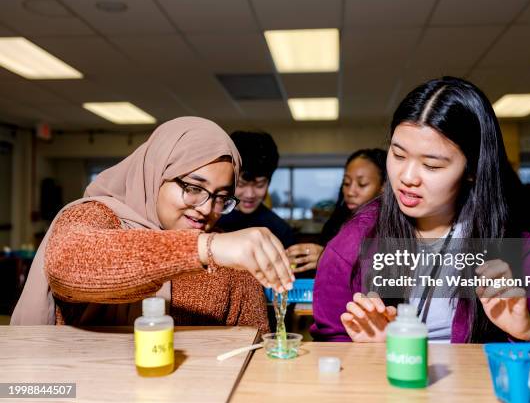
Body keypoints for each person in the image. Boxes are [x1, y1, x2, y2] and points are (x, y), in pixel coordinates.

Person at [311, 77, 530, 343]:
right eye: (398, 154)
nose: (407, 177)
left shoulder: (514, 242)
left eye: (431, 165)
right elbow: (329, 337)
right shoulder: (357, 240)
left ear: (472, 169)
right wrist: (369, 349)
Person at [11, 117, 294, 329]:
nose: (207, 208)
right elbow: (67, 264)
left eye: (221, 197)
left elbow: (253, 347)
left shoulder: (230, 265)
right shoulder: (96, 216)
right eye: (193, 188)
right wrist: (205, 248)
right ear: (156, 174)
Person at [286, 149, 386, 274]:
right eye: (346, 183)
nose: (350, 192)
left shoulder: (392, 228)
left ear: (384, 186)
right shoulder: (337, 222)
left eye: (362, 184)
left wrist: (330, 259)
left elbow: (386, 280)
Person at [216, 131, 296, 249]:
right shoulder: (212, 219)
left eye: (259, 185)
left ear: (269, 182)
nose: (250, 194)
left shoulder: (280, 230)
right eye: (241, 184)